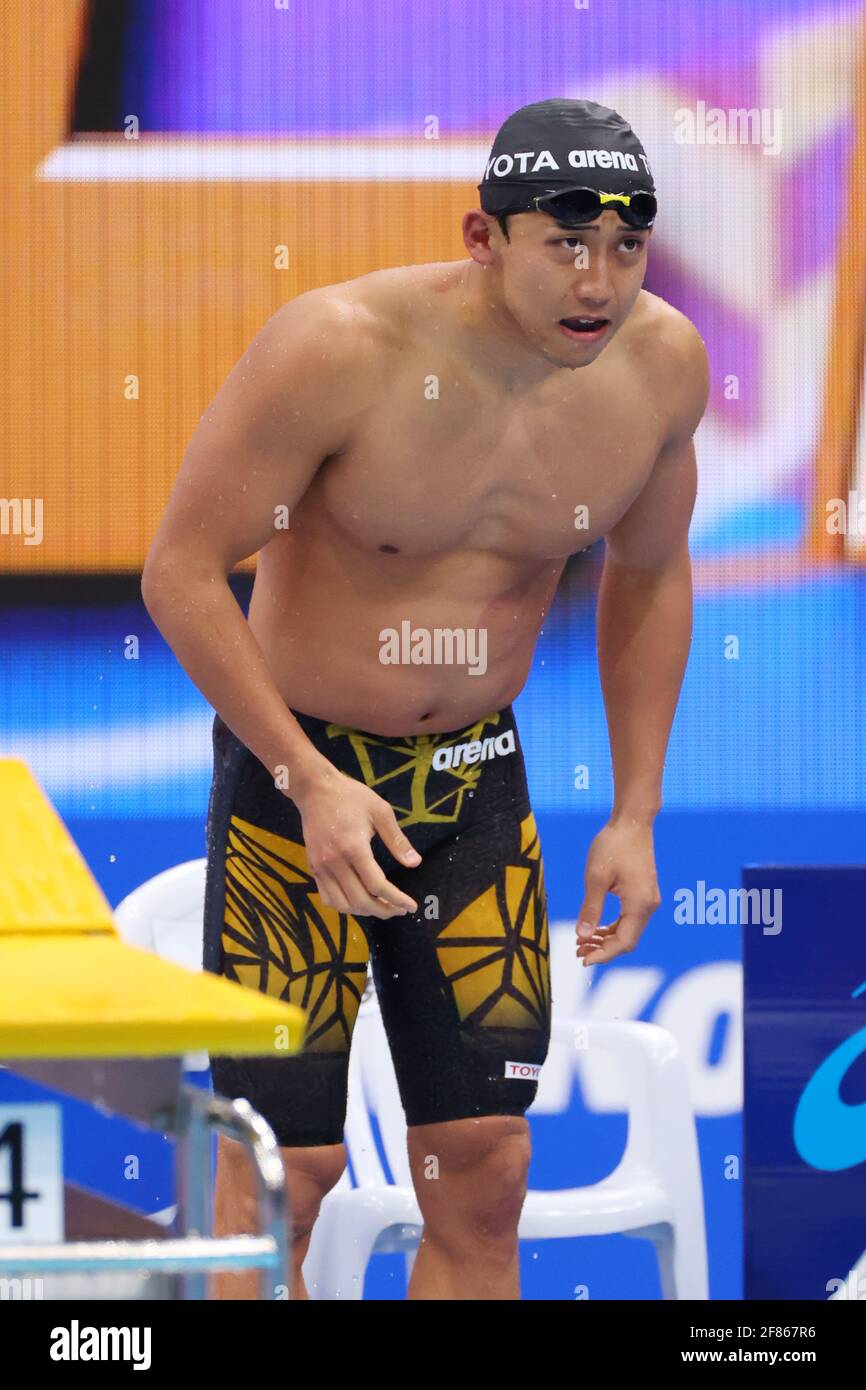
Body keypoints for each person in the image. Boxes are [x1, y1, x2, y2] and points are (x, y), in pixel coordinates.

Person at [141, 97, 708, 1300]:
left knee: (485, 1169)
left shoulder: (659, 368)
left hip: (472, 782)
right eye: (563, 244)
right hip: (295, 794)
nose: (597, 282)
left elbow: (649, 575)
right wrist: (308, 779)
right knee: (283, 1174)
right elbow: (181, 573)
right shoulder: (337, 349)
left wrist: (635, 809)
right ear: (482, 235)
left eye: (624, 247)